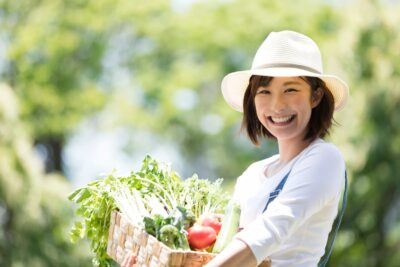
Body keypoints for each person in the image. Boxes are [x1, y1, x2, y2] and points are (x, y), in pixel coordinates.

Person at [122, 30, 348, 267]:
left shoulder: (324, 158)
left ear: (316, 96)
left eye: (290, 90)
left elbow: (269, 231)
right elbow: (227, 253)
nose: (277, 105)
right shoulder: (252, 175)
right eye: (264, 91)